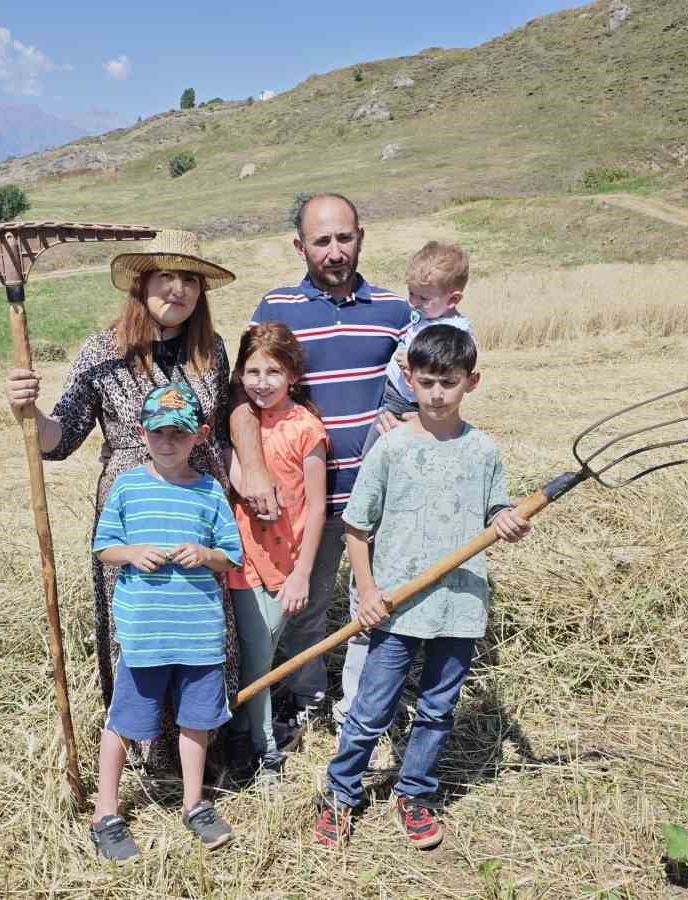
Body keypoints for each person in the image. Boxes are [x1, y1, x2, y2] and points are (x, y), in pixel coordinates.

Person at [4, 230, 239, 777]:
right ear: (142, 283)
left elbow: (225, 429)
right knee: (140, 623)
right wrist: (28, 412)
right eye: (165, 276)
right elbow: (59, 441)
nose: (177, 289)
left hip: (199, 502)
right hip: (133, 507)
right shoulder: (101, 351)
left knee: (201, 622)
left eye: (189, 280)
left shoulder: (213, 352)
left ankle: (206, 752)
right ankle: (144, 751)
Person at [312, 324, 532, 851]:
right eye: (427, 381)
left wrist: (507, 520)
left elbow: (494, 510)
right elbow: (356, 528)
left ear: (470, 382)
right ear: (409, 379)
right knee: (371, 710)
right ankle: (341, 795)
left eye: (448, 382)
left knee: (437, 709)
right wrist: (366, 593)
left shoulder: (484, 450)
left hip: (458, 606)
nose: (437, 394)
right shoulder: (392, 449)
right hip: (396, 605)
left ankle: (416, 795)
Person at [232, 193, 412, 740]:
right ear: (300, 246)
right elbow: (239, 397)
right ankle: (307, 698)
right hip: (303, 501)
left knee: (371, 608)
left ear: (361, 236)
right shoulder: (275, 308)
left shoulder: (395, 312)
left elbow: (424, 384)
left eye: (344, 238)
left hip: (378, 496)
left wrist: (405, 418)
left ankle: (361, 712)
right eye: (321, 241)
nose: (335, 252)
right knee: (304, 608)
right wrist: (254, 467)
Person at [88, 383, 244, 863]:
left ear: (198, 435)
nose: (168, 442)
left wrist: (205, 554)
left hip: (198, 634)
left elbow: (230, 557)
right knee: (127, 721)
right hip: (146, 636)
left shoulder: (210, 490)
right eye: (159, 433)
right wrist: (132, 553)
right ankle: (106, 811)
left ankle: (195, 804)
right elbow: (104, 546)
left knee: (197, 722)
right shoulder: (129, 486)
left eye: (179, 433)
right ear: (142, 433)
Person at [223, 323, 329, 785]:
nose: (262, 381)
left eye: (273, 371)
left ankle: (257, 740)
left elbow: (319, 505)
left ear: (293, 375)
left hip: (286, 565)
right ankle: (259, 743)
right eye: (252, 371)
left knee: (261, 655)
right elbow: (238, 483)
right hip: (243, 559)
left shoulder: (306, 428)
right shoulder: (238, 425)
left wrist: (303, 572)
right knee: (256, 655)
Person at [360, 240, 476, 459]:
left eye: (423, 298)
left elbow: (443, 368)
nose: (414, 302)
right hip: (393, 395)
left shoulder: (454, 331)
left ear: (453, 299)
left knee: (374, 457)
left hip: (409, 404)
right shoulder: (427, 317)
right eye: (411, 293)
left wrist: (412, 363)